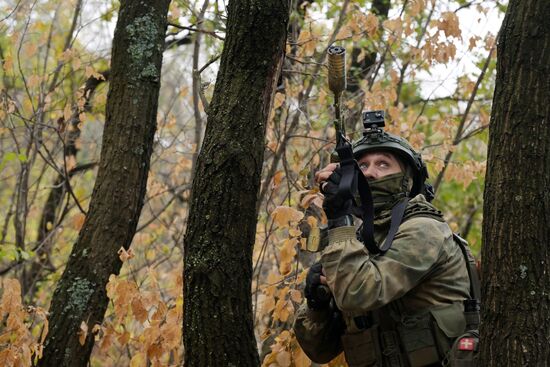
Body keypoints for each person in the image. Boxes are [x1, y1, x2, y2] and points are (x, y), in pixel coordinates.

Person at [293, 114, 473, 367]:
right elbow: (319, 352)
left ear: (408, 181)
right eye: (362, 166)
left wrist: (339, 220)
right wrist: (316, 303)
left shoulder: (425, 231)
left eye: (383, 164)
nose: (370, 174)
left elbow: (359, 292)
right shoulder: (354, 244)